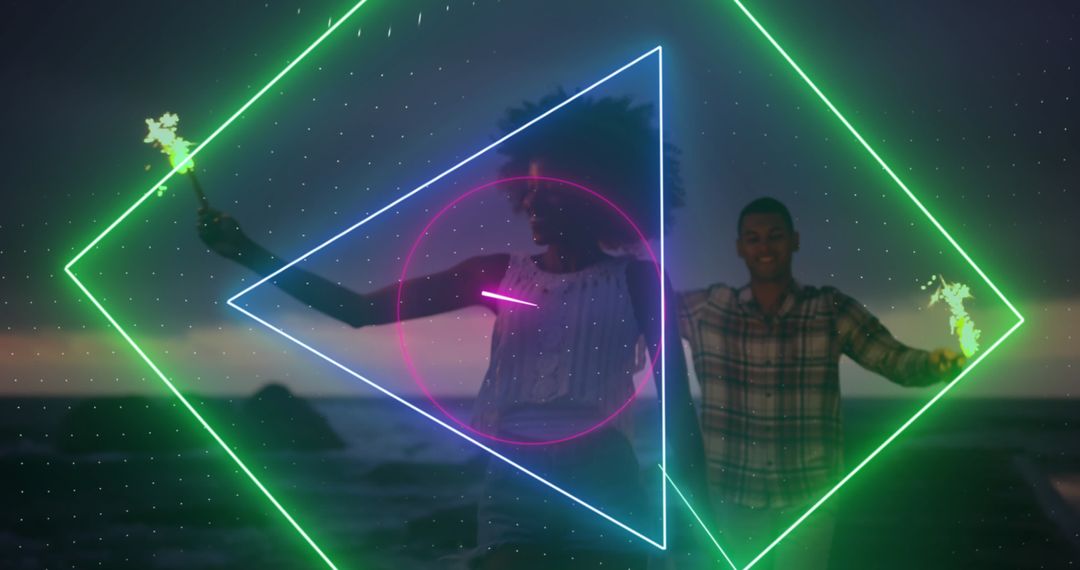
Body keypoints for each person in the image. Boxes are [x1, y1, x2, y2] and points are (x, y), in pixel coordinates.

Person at [198, 91, 707, 569]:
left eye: (546, 191)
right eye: (525, 190)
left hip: (605, 485)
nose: (530, 204)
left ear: (594, 192)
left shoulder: (638, 281)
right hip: (516, 483)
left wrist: (698, 520)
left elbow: (677, 408)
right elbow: (357, 310)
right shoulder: (496, 275)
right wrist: (246, 252)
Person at [678, 197, 966, 570]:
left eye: (775, 236)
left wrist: (934, 364)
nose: (764, 246)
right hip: (734, 493)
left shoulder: (829, 310)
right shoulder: (708, 310)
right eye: (753, 238)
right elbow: (643, 305)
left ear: (795, 240)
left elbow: (893, 360)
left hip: (809, 496)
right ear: (739, 248)